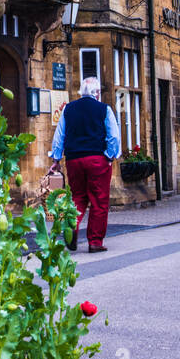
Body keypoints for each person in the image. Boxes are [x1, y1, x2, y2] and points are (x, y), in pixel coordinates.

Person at [46, 76, 120, 253]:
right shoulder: (104, 109)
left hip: (74, 160)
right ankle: (95, 242)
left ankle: (72, 227)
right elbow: (113, 136)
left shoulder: (68, 109)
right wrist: (110, 156)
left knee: (78, 197)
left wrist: (56, 160)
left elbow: (59, 136)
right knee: (99, 201)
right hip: (97, 159)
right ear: (97, 93)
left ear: (81, 92)